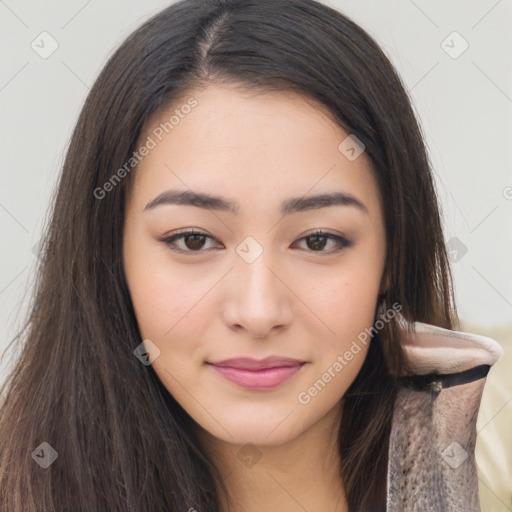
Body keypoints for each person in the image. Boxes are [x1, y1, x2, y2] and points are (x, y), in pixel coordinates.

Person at [0, 1, 502, 511]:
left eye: (318, 240)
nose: (259, 312)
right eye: (194, 240)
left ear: (393, 254)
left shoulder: (496, 450)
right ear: (110, 255)